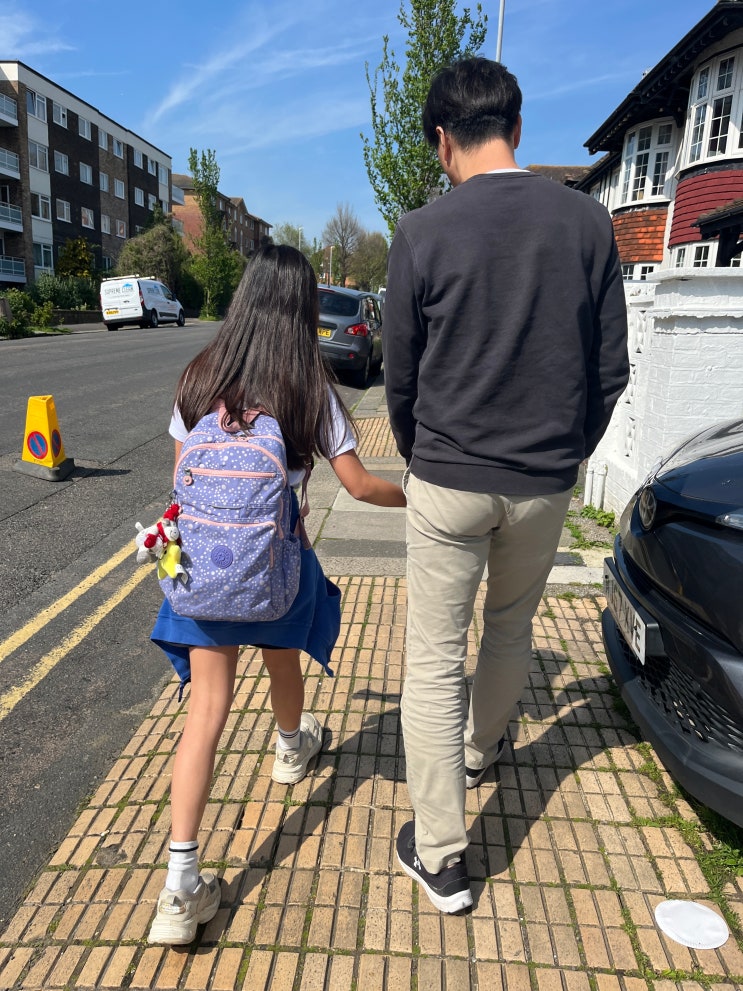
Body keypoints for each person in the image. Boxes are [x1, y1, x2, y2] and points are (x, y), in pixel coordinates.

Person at [384, 57, 629, 914]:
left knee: (431, 660)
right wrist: (565, 455)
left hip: (448, 477)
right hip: (542, 481)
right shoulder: (588, 224)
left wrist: (421, 456)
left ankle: (442, 854)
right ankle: (481, 750)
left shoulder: (421, 231)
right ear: (517, 129)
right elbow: (609, 369)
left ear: (441, 141)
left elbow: (401, 378)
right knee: (509, 628)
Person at [147, 244, 405, 945]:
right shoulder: (306, 384)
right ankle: (291, 747)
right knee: (281, 654)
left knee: (206, 711)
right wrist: (414, 498)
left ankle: (179, 887)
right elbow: (358, 485)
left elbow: (182, 482)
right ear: (302, 308)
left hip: (202, 572)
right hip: (278, 566)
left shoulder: (198, 377)